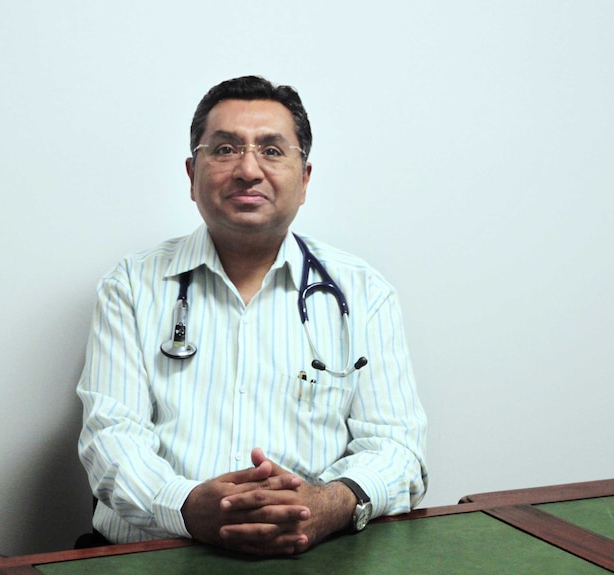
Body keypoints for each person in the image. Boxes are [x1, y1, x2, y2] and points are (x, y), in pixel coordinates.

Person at [77, 75, 427, 556]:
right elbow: (111, 440)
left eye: (272, 150)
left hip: (317, 557)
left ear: (304, 180)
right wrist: (186, 505)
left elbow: (398, 450)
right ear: (191, 174)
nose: (247, 169)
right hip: (153, 557)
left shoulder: (365, 293)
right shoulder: (131, 287)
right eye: (224, 149)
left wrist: (325, 505)